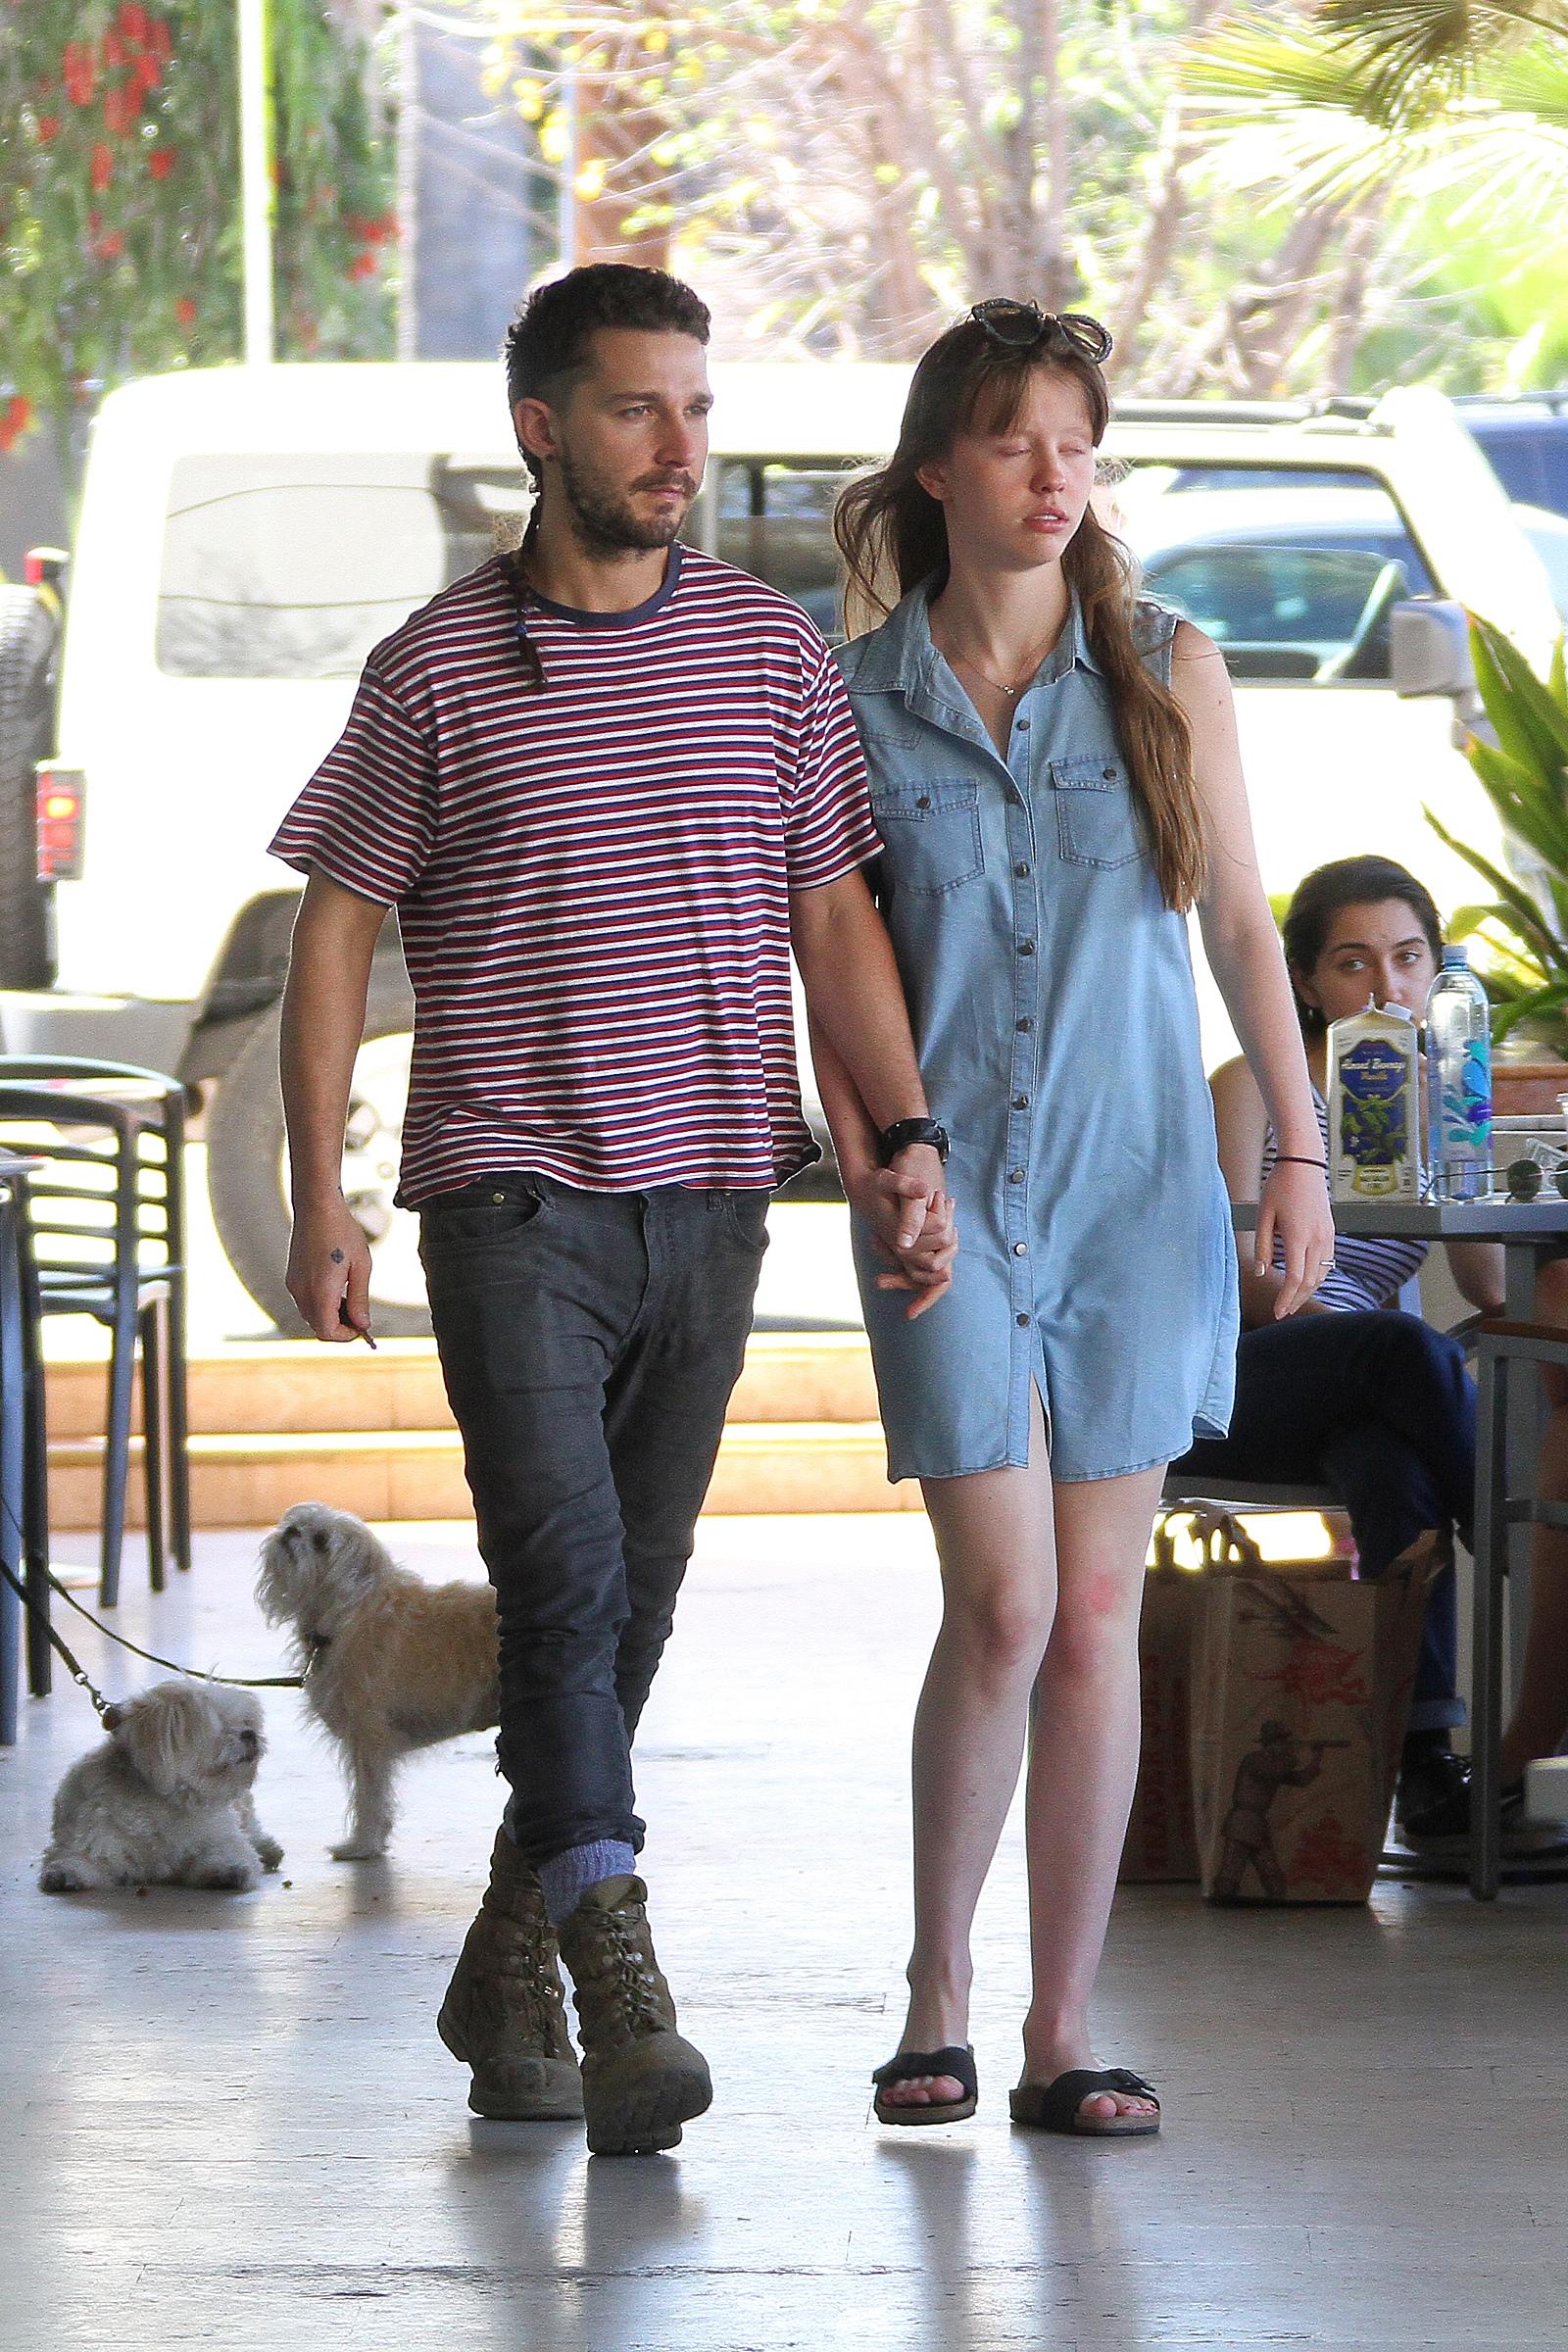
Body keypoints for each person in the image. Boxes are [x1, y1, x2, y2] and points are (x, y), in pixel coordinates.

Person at [270, 263, 952, 2159]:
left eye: (698, 409)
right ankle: (618, 1965)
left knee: (628, 1609)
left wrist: (904, 1139)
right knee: (566, 1589)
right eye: (642, 409)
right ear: (543, 426)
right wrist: (317, 1182)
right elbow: (339, 918)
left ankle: (506, 1954)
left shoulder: (768, 652)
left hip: (719, 1196)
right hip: (511, 1202)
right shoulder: (434, 666)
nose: (681, 445)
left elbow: (835, 918)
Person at [812, 298, 1333, 2137]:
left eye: (1079, 440)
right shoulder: (838, 686)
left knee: (1100, 1603)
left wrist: (1295, 1157)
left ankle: (1063, 2028)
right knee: (1005, 1599)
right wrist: (880, 1158)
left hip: (1136, 1193)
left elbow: (1245, 934)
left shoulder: (1168, 664)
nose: (1055, 475)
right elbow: (833, 963)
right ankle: (932, 1991)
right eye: (1018, 438)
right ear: (940, 462)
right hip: (944, 1197)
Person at [1176, 854, 1568, 1858]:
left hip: (1362, 1392)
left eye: (1405, 959)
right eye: (1351, 963)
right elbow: (1234, 1283)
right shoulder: (1249, 1089)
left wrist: (1458, 1142)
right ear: (1305, 983)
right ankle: (1528, 1561)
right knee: (1396, 1345)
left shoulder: (1433, 1095)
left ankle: (1425, 1769)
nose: (1383, 987)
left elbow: (1487, 1289)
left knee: (1392, 1456)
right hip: (1239, 1375)